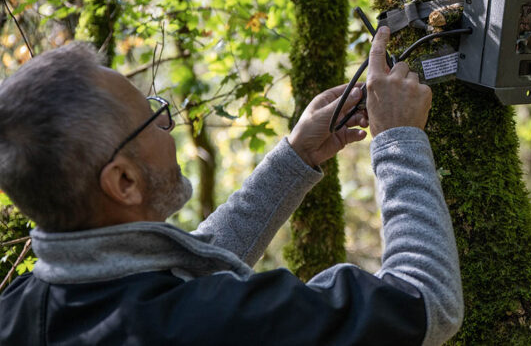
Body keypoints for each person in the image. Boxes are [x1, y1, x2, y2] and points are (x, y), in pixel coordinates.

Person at [0, 27, 462, 346]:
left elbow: (170, 275)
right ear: (123, 181)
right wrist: (399, 139)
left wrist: (294, 158)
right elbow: (425, 302)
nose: (171, 126)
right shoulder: (219, 322)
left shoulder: (18, 313)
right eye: (154, 119)